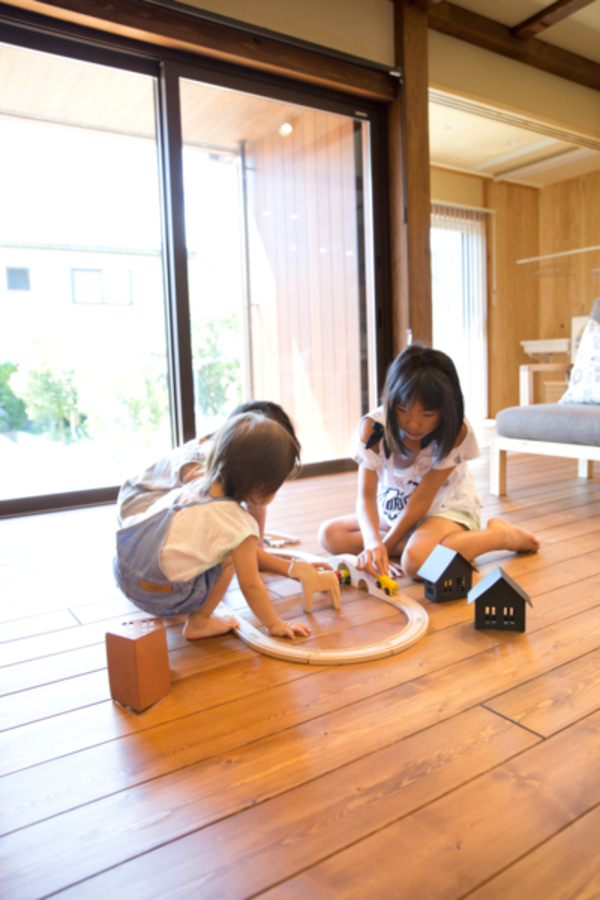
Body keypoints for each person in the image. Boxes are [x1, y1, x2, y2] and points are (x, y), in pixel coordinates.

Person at [318, 344, 540, 580]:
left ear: (446, 409)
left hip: (444, 510)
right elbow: (367, 496)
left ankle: (499, 535)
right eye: (403, 409)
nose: (413, 423)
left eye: (427, 414)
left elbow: (421, 502)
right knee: (330, 535)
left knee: (415, 564)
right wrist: (373, 543)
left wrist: (385, 547)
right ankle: (445, 549)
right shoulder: (373, 427)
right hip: (395, 511)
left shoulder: (455, 430)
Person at [114, 411, 319, 641]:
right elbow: (250, 585)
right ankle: (199, 623)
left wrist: (291, 569)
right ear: (261, 485)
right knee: (229, 557)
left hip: (124, 574)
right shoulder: (239, 524)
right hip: (160, 595)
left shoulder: (194, 486)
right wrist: (276, 625)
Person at [117, 400, 300, 545]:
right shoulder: (206, 460)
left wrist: (257, 547)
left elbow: (257, 504)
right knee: (221, 517)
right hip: (141, 505)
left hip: (167, 510)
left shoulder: (236, 463)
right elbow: (205, 498)